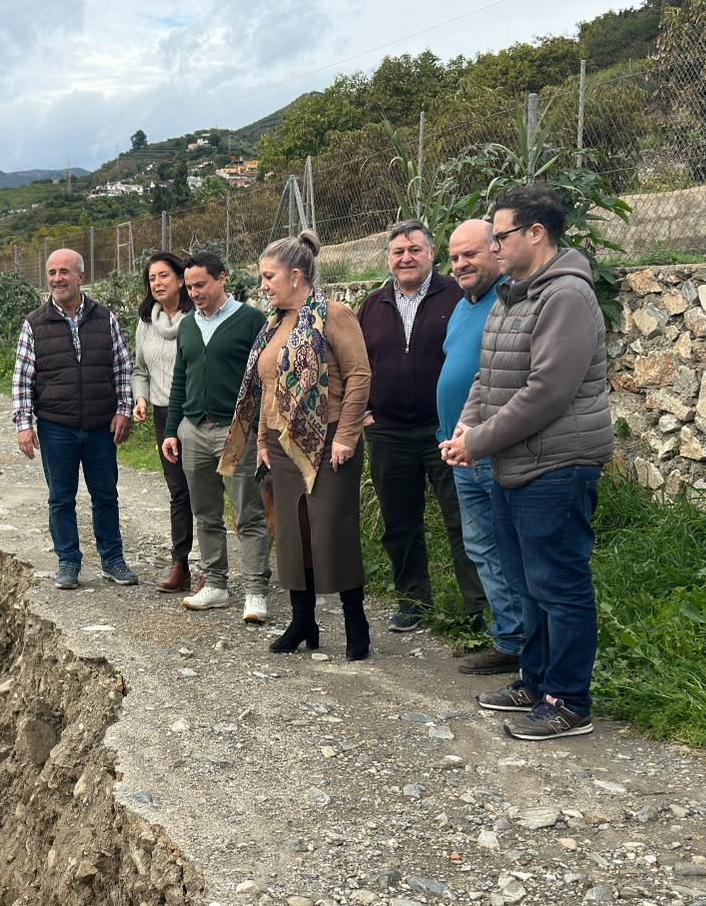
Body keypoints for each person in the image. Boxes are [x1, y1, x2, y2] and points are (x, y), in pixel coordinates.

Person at [441, 185, 614, 741]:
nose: (493, 245)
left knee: (559, 584)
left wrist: (481, 440)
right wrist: (468, 429)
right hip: (513, 463)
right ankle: (535, 681)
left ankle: (569, 700)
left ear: (535, 233)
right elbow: (487, 379)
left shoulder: (564, 296)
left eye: (501, 235)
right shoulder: (516, 294)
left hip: (557, 465)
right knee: (525, 581)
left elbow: (548, 391)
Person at [222, 230, 372, 659]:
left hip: (328, 442)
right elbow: (269, 389)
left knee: (332, 532)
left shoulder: (334, 314)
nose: (263, 285)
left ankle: (355, 624)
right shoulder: (275, 323)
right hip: (285, 446)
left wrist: (346, 435)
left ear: (296, 274)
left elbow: (359, 376)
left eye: (269, 276)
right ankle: (303, 621)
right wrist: (265, 440)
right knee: (293, 534)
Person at [357, 220, 485, 635]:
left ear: (432, 253)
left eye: (414, 249)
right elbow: (358, 365)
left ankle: (477, 608)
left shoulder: (457, 295)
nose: (406, 258)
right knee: (400, 522)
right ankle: (413, 601)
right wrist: (364, 412)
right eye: (398, 251)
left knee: (462, 518)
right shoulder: (373, 305)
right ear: (389, 259)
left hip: (444, 429)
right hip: (389, 431)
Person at [12, 248, 139, 591]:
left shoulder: (104, 317)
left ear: (81, 276)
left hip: (100, 427)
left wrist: (124, 410)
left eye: (64, 272)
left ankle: (113, 560)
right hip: (56, 427)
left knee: (105, 495)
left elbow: (122, 367)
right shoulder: (35, 323)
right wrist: (24, 424)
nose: (57, 279)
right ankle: (68, 561)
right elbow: (23, 378)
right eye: (52, 272)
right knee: (60, 498)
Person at [161, 251, 270, 623]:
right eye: (189, 286)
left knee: (248, 512)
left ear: (223, 278)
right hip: (194, 428)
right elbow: (181, 379)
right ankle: (217, 585)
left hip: (236, 429)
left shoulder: (252, 320)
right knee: (205, 512)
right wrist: (172, 429)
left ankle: (256, 590)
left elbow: (264, 378)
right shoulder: (189, 326)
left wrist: (260, 429)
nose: (194, 292)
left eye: (201, 284)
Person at [439, 220, 523, 676]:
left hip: (495, 449)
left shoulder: (511, 298)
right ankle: (509, 638)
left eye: (469, 254)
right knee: (483, 547)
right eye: (453, 258)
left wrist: (477, 437)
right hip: (460, 449)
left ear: (496, 250)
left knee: (509, 546)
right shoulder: (463, 306)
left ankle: (528, 642)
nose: (460, 265)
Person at [132, 252, 196, 593]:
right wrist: (140, 397)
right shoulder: (145, 323)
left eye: (164, 276)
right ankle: (180, 564)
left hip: (196, 413)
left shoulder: (196, 317)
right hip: (161, 414)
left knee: (207, 490)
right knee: (178, 491)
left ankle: (217, 568)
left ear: (181, 279)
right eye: (152, 278)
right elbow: (139, 369)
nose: (157, 283)